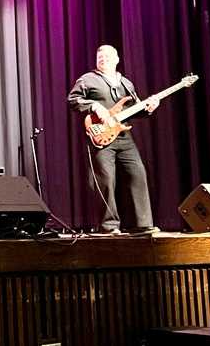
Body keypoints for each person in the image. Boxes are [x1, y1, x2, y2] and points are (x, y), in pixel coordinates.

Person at [68, 44, 160, 235]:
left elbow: (133, 109)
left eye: (107, 57)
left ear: (117, 60)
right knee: (106, 180)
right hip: (101, 135)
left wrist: (148, 108)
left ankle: (142, 224)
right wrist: (94, 106)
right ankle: (109, 226)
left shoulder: (126, 83)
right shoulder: (88, 79)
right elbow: (73, 100)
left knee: (138, 174)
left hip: (123, 136)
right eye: (99, 56)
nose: (103, 59)